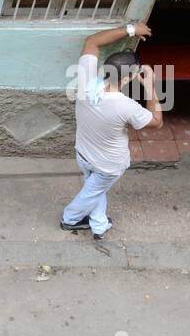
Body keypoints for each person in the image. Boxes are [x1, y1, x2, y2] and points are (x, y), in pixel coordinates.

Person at [61, 21, 163, 240]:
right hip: (107, 165)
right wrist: (150, 87)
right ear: (127, 78)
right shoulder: (125, 106)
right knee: (91, 192)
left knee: (95, 190)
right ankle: (69, 219)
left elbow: (92, 41)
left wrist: (131, 29)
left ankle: (99, 225)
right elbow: (157, 121)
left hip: (83, 154)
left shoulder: (86, 80)